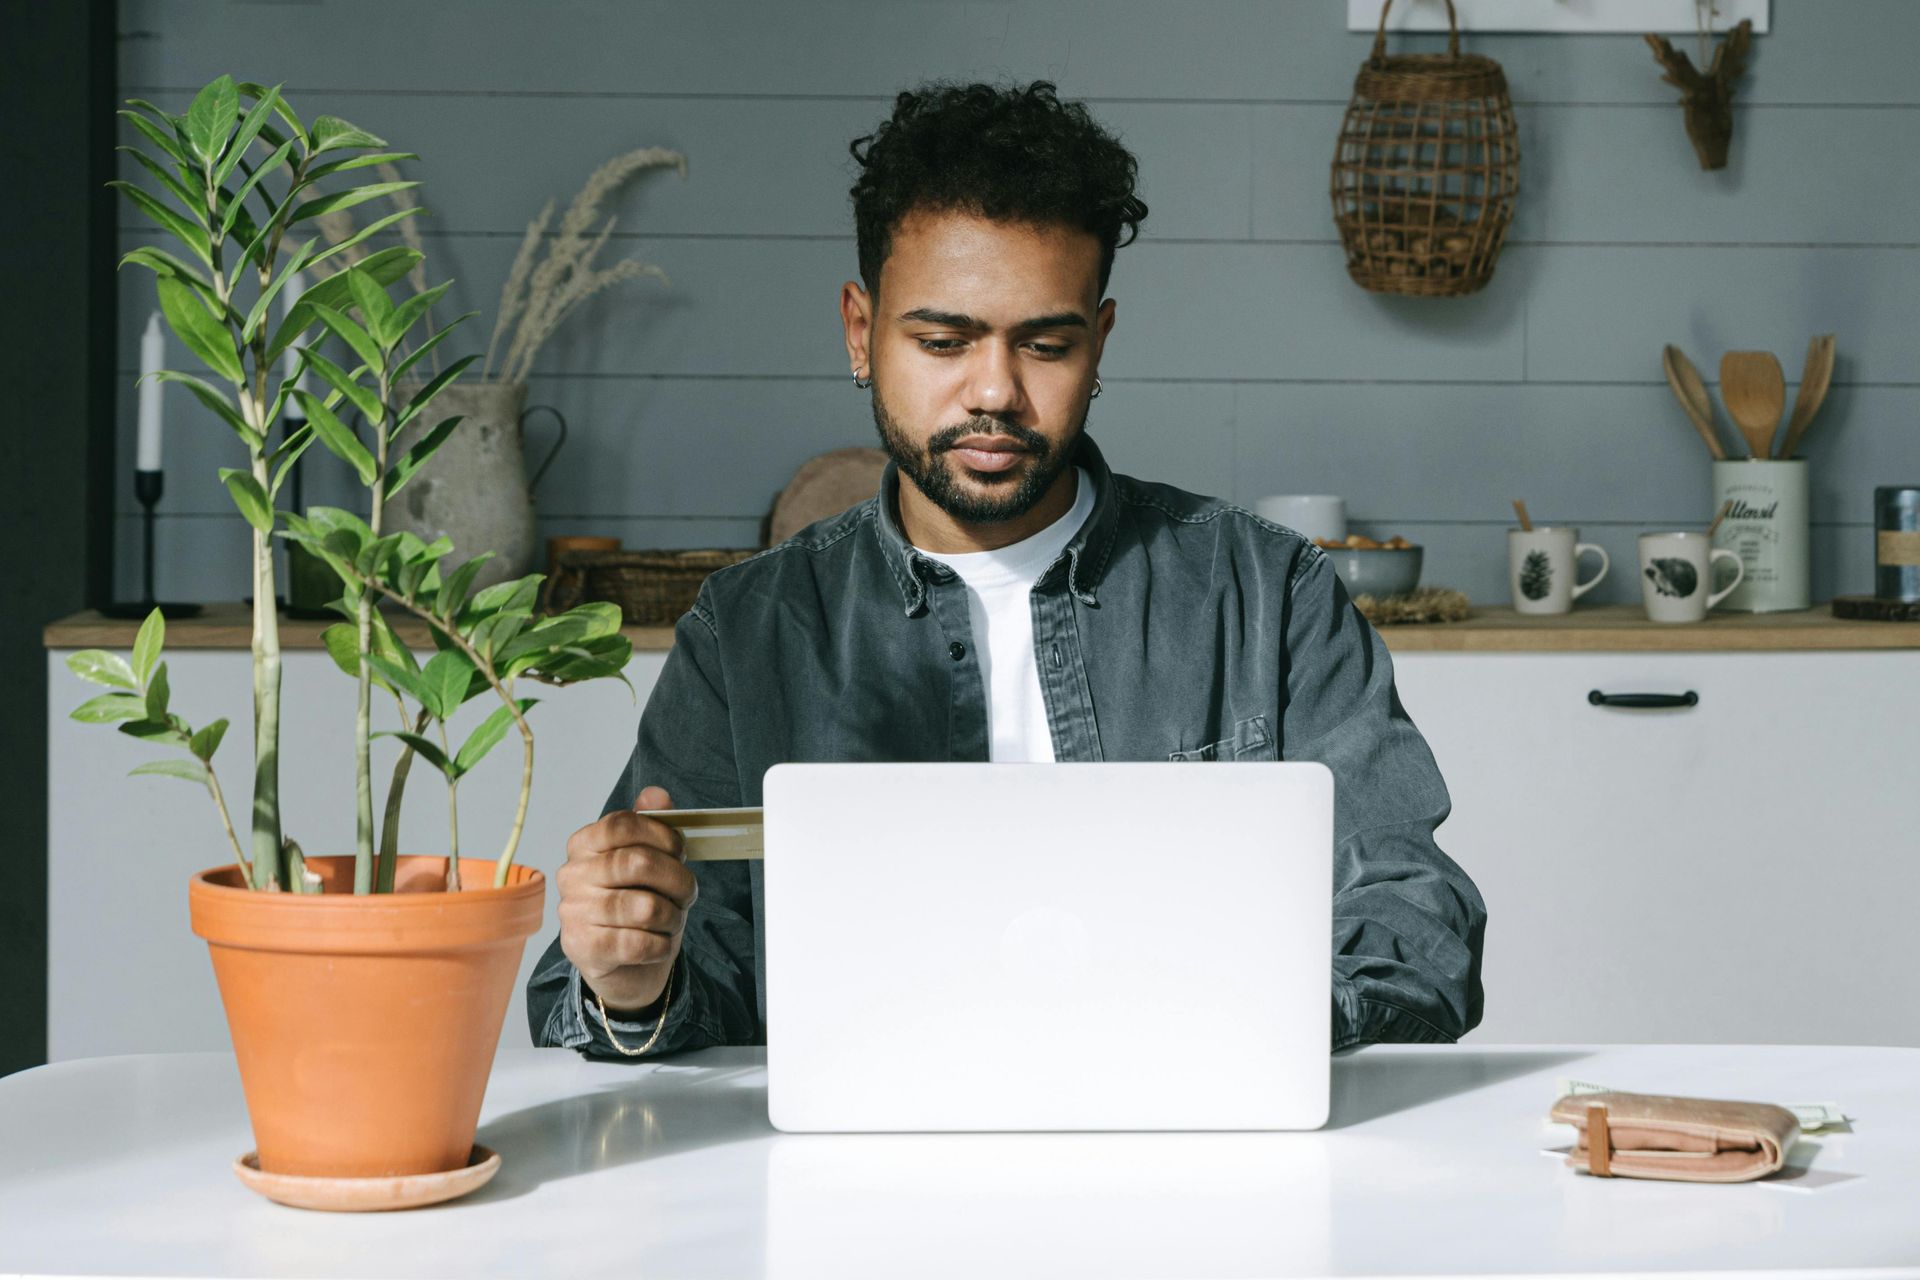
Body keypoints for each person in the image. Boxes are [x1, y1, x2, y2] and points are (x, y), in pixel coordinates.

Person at [527, 80, 1486, 1060]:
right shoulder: (752, 626)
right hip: (861, 1177)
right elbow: (636, 982)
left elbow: (1417, 918)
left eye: (1046, 343)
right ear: (860, 333)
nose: (994, 390)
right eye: (943, 341)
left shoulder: (1265, 592)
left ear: (1100, 342)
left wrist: (1225, 1033)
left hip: (1196, 1161)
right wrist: (634, 979)